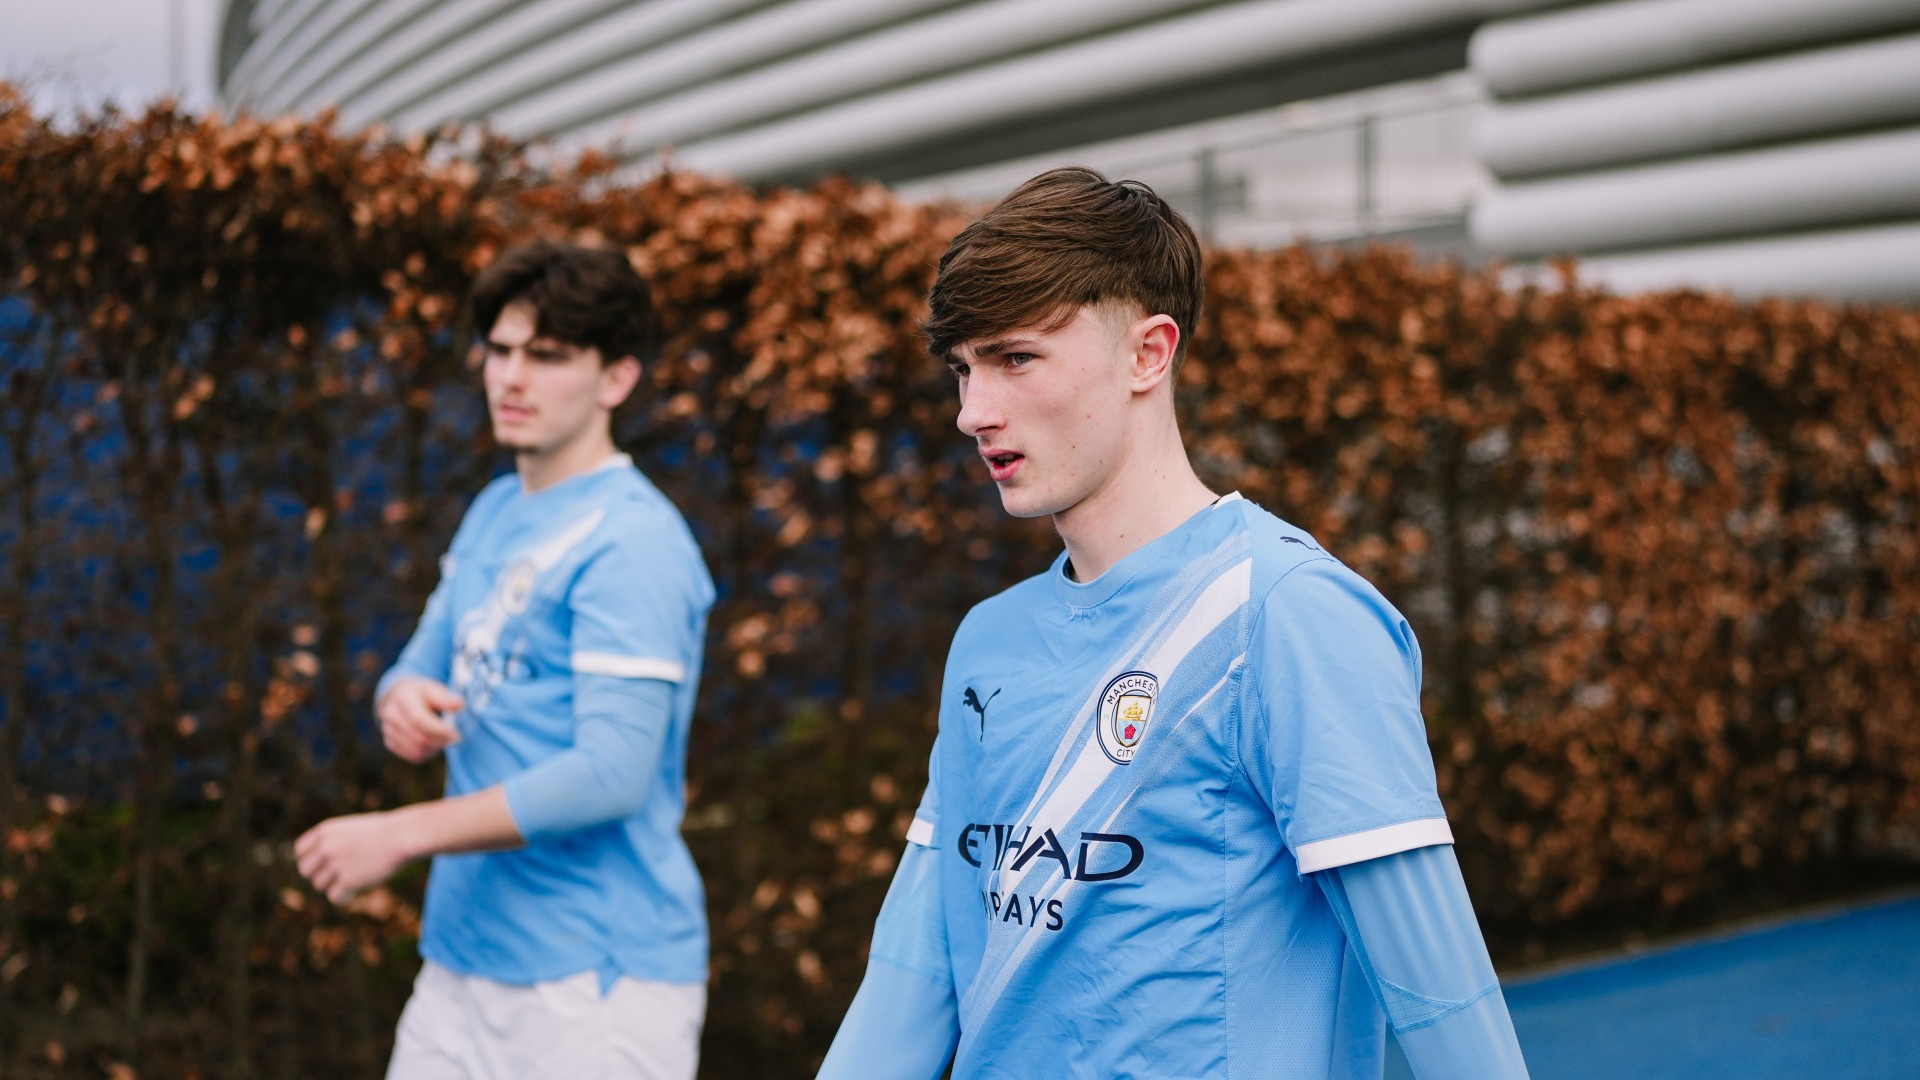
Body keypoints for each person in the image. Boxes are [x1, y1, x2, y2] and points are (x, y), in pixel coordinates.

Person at [818, 168, 1529, 1079]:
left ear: (1148, 355)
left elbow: (1443, 995)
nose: (972, 412)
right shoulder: (987, 640)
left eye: (1015, 358)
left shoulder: (1291, 613)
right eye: (963, 369)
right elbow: (915, 972)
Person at [295, 240, 715, 1080]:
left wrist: (398, 835)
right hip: (462, 956)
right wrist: (403, 695)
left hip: (592, 981)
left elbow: (610, 775)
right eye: (501, 349)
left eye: (548, 355)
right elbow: (423, 655)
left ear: (617, 379)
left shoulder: (632, 541)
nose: (510, 377)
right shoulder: (496, 506)